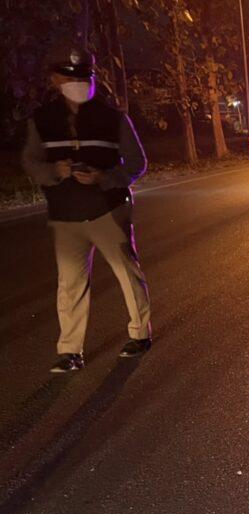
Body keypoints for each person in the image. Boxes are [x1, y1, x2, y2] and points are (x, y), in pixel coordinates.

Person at [21, 42, 152, 373]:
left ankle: (140, 334)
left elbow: (137, 162)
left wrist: (104, 177)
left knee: (127, 273)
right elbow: (31, 162)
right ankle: (70, 352)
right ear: (54, 79)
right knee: (70, 285)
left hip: (108, 209)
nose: (77, 83)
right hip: (65, 214)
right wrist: (55, 171)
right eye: (69, 77)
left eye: (83, 77)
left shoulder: (113, 117)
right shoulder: (42, 120)